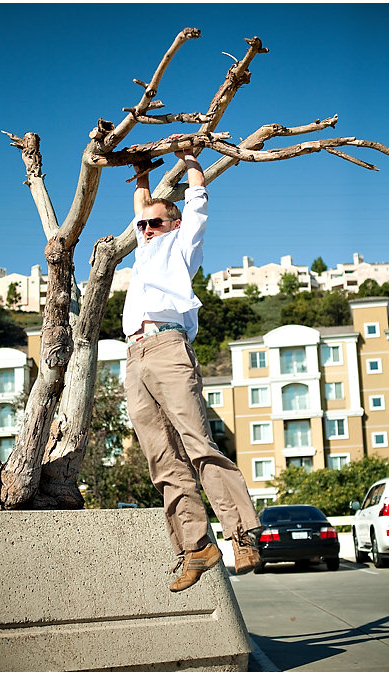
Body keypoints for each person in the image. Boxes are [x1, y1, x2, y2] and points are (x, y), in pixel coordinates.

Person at [121, 140, 260, 592]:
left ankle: (243, 534)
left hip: (167, 349)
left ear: (174, 224)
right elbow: (142, 204)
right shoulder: (144, 249)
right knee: (161, 459)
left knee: (198, 444)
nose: (144, 228)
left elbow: (198, 198)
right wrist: (141, 175)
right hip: (134, 356)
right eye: (141, 224)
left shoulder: (182, 246)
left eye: (154, 223)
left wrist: (191, 159)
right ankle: (195, 547)